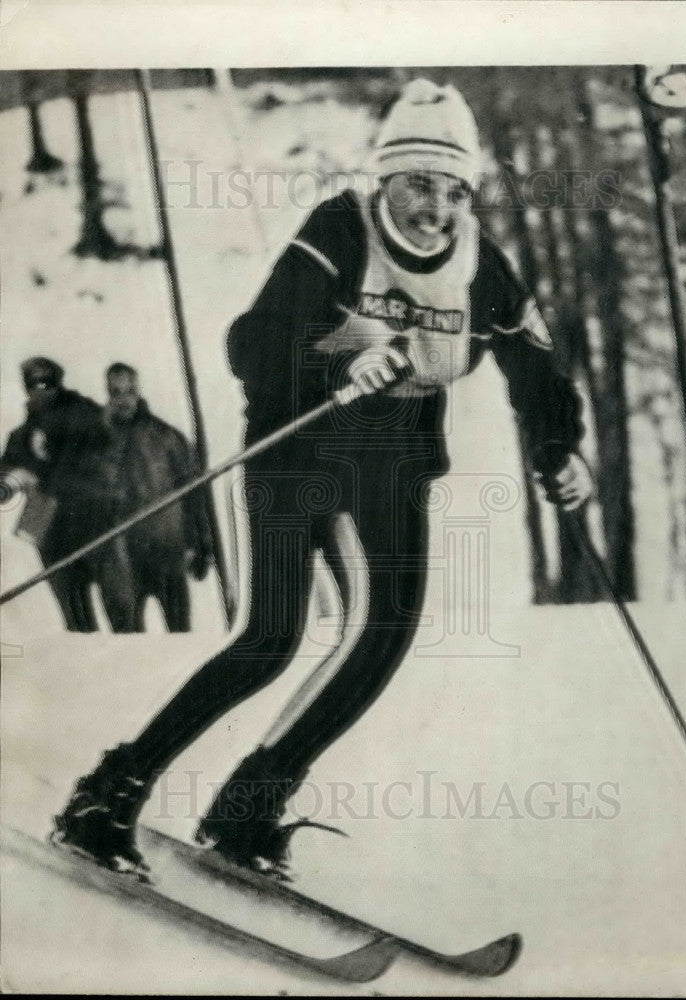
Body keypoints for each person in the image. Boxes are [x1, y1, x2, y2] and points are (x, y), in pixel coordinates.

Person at [52, 79, 593, 879]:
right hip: (297, 452)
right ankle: (110, 793)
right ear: (384, 179)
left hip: (395, 466)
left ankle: (246, 810)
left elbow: (536, 366)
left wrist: (559, 446)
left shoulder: (482, 264)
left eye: (451, 190)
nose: (434, 209)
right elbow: (251, 343)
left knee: (384, 636)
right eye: (416, 184)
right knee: (272, 640)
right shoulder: (339, 230)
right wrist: (338, 354)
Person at [92, 363, 215, 632]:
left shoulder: (166, 438)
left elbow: (195, 494)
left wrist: (204, 545)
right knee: (126, 642)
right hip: (122, 558)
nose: (124, 399)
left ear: (138, 392)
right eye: (116, 392)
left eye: (129, 391)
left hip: (166, 551)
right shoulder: (97, 443)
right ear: (108, 394)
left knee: (180, 635)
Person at [0, 356, 110, 631]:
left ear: (58, 383)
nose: (41, 390)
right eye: (33, 384)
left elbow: (108, 448)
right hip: (50, 528)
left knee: (116, 603)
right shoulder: (24, 434)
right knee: (74, 612)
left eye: (48, 383)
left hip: (91, 519)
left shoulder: (84, 413)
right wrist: (14, 479)